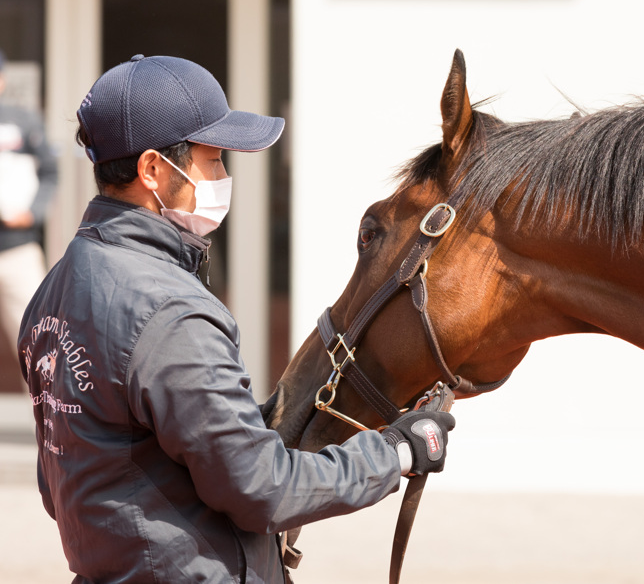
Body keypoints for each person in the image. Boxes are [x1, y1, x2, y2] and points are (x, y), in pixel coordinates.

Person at [18, 54, 455, 583]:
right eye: (214, 159)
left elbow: (60, 485)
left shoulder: (55, 288)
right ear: (153, 169)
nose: (224, 176)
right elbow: (262, 490)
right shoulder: (170, 311)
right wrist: (397, 450)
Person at [0, 48, 57, 374]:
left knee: (38, 350)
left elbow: (50, 173)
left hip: (17, 248)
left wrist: (33, 213)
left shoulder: (24, 120)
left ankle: (51, 425)